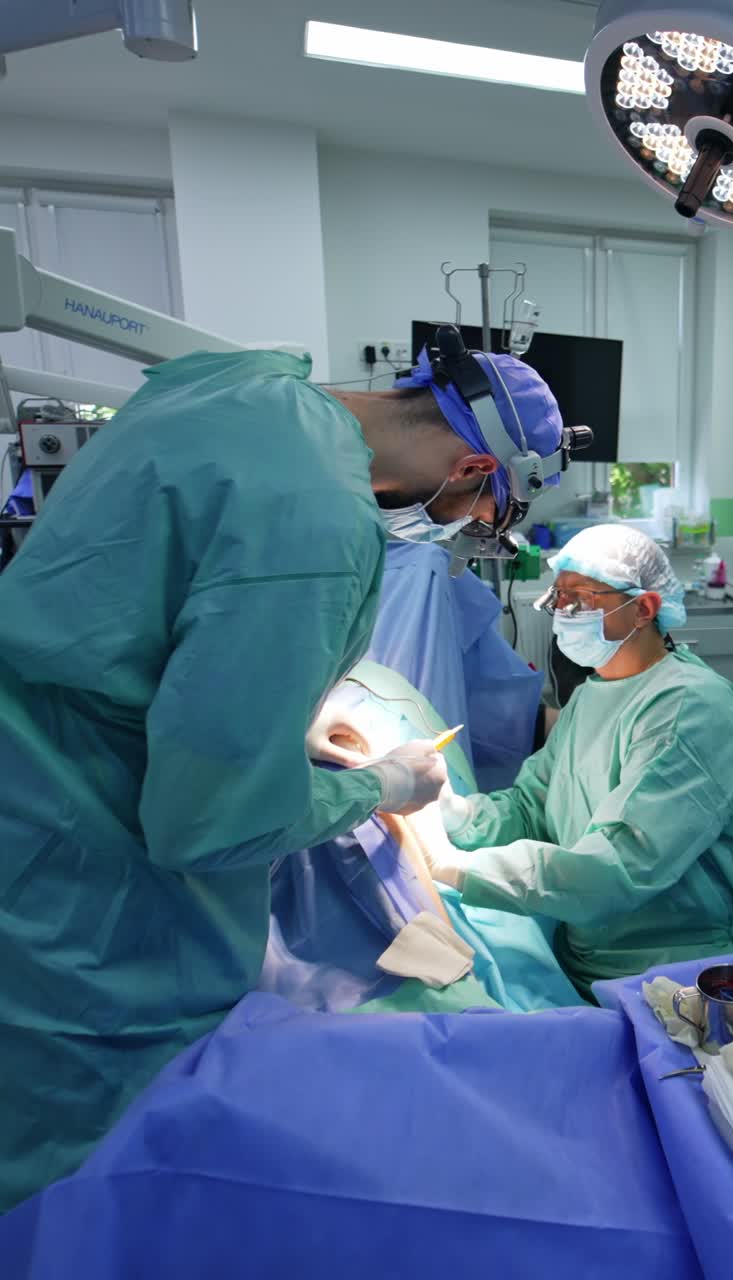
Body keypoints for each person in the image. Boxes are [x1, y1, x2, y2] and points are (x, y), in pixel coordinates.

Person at [0, 342, 570, 1210]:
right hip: (85, 870)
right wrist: (383, 786)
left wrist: (273, 726)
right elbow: (212, 819)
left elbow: (169, 636)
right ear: (474, 467)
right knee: (86, 1175)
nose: (466, 531)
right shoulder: (319, 526)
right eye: (485, 512)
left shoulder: (236, 384)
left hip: (32, 776)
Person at [423, 524, 733, 998]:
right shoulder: (592, 696)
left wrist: (460, 870)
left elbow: (620, 866)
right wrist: (457, 813)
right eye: (558, 599)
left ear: (644, 609)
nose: (563, 614)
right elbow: (532, 807)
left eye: (581, 600)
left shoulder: (691, 710)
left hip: (679, 972)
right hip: (591, 950)